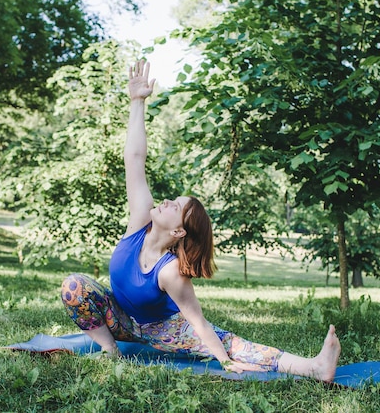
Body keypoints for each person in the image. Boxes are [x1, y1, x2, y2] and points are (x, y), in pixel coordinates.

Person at [60, 59, 341, 380]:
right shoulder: (140, 221)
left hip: (161, 330)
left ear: (179, 230)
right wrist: (137, 102)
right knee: (74, 286)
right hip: (119, 319)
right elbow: (134, 158)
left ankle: (314, 368)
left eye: (174, 206)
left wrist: (223, 360)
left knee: (235, 346)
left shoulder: (170, 272)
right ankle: (110, 353)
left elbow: (198, 323)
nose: (165, 201)